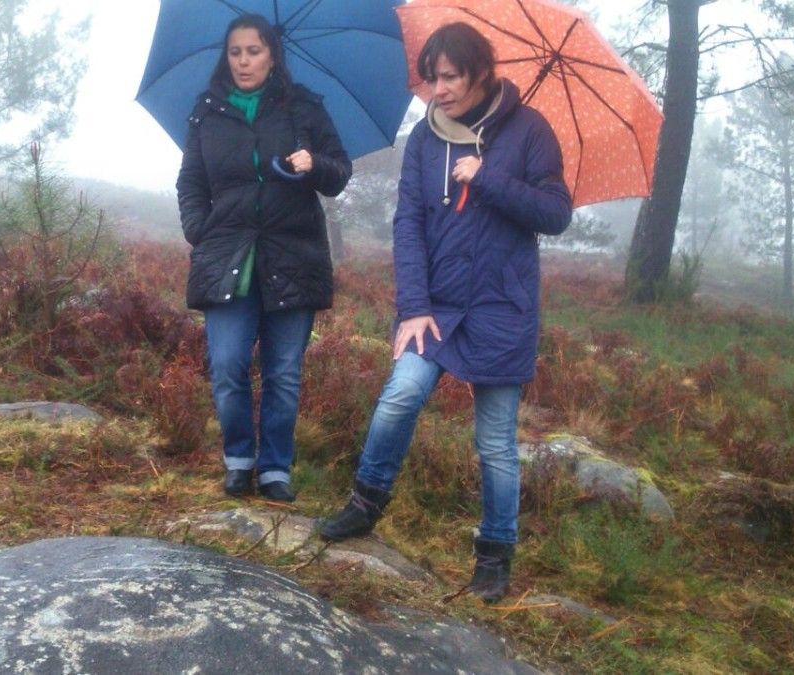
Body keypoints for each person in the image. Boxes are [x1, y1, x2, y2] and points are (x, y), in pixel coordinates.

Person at [317, 22, 572, 602]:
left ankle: (494, 555)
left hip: (502, 309)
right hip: (434, 308)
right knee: (400, 395)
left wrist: (490, 179)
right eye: (431, 77)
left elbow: (555, 214)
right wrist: (412, 306)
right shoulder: (425, 139)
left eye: (450, 76)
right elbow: (408, 224)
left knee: (497, 442)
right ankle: (364, 504)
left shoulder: (531, 131)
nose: (438, 89)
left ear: (481, 72)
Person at [176, 14, 352, 502]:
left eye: (254, 51)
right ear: (225, 56)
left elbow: (340, 172)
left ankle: (275, 468)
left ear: (273, 54)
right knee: (228, 365)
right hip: (227, 253)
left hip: (292, 252)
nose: (244, 61)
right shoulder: (207, 111)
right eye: (235, 52)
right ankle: (238, 459)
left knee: (283, 373)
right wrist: (199, 231)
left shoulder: (304, 108)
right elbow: (191, 181)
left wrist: (314, 165)